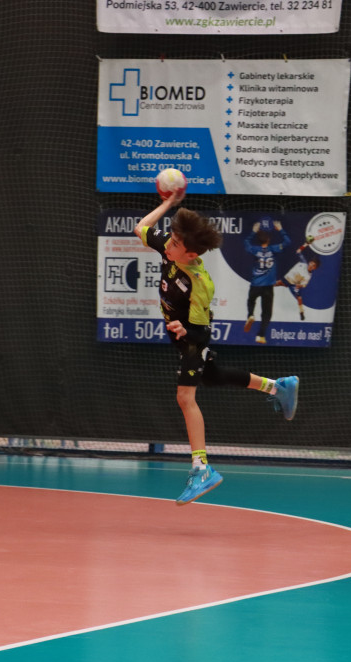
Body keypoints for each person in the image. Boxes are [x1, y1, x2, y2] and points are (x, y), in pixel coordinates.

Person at [135, 189, 300, 505]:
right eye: (170, 239)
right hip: (180, 336)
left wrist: (184, 330)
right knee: (214, 375)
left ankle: (202, 469)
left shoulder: (198, 282)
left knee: (185, 397)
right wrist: (168, 203)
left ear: (190, 255)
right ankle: (279, 387)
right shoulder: (170, 249)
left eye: (175, 244)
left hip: (192, 341)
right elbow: (141, 227)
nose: (168, 245)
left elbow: (202, 332)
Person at [244, 218, 290, 344]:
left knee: (251, 301)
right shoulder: (274, 249)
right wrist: (280, 229)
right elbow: (287, 242)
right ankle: (261, 335)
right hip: (268, 287)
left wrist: (253, 232)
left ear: (259, 240)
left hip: (256, 284)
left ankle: (250, 315)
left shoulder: (254, 250)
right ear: (268, 240)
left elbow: (246, 242)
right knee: (267, 312)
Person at [276, 237, 320, 321]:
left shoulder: (308, 276)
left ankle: (301, 312)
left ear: (315, 268)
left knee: (299, 298)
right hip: (287, 279)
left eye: (314, 265)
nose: (311, 265)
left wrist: (299, 286)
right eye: (311, 263)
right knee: (274, 284)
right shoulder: (303, 262)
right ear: (310, 262)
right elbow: (298, 251)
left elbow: (304, 285)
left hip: (293, 284)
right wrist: (306, 244)